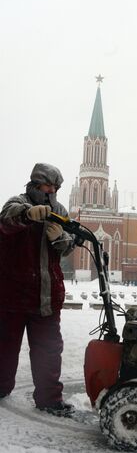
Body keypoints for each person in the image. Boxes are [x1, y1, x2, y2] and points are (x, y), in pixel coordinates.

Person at [0, 163, 75, 417]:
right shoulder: (17, 202)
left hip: (47, 297)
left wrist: (62, 239)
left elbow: (69, 244)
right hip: (13, 295)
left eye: (55, 187)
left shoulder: (60, 211)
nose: (52, 190)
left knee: (49, 350)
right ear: (34, 184)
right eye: (47, 185)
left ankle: (49, 399)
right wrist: (27, 215)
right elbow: (7, 219)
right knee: (5, 347)